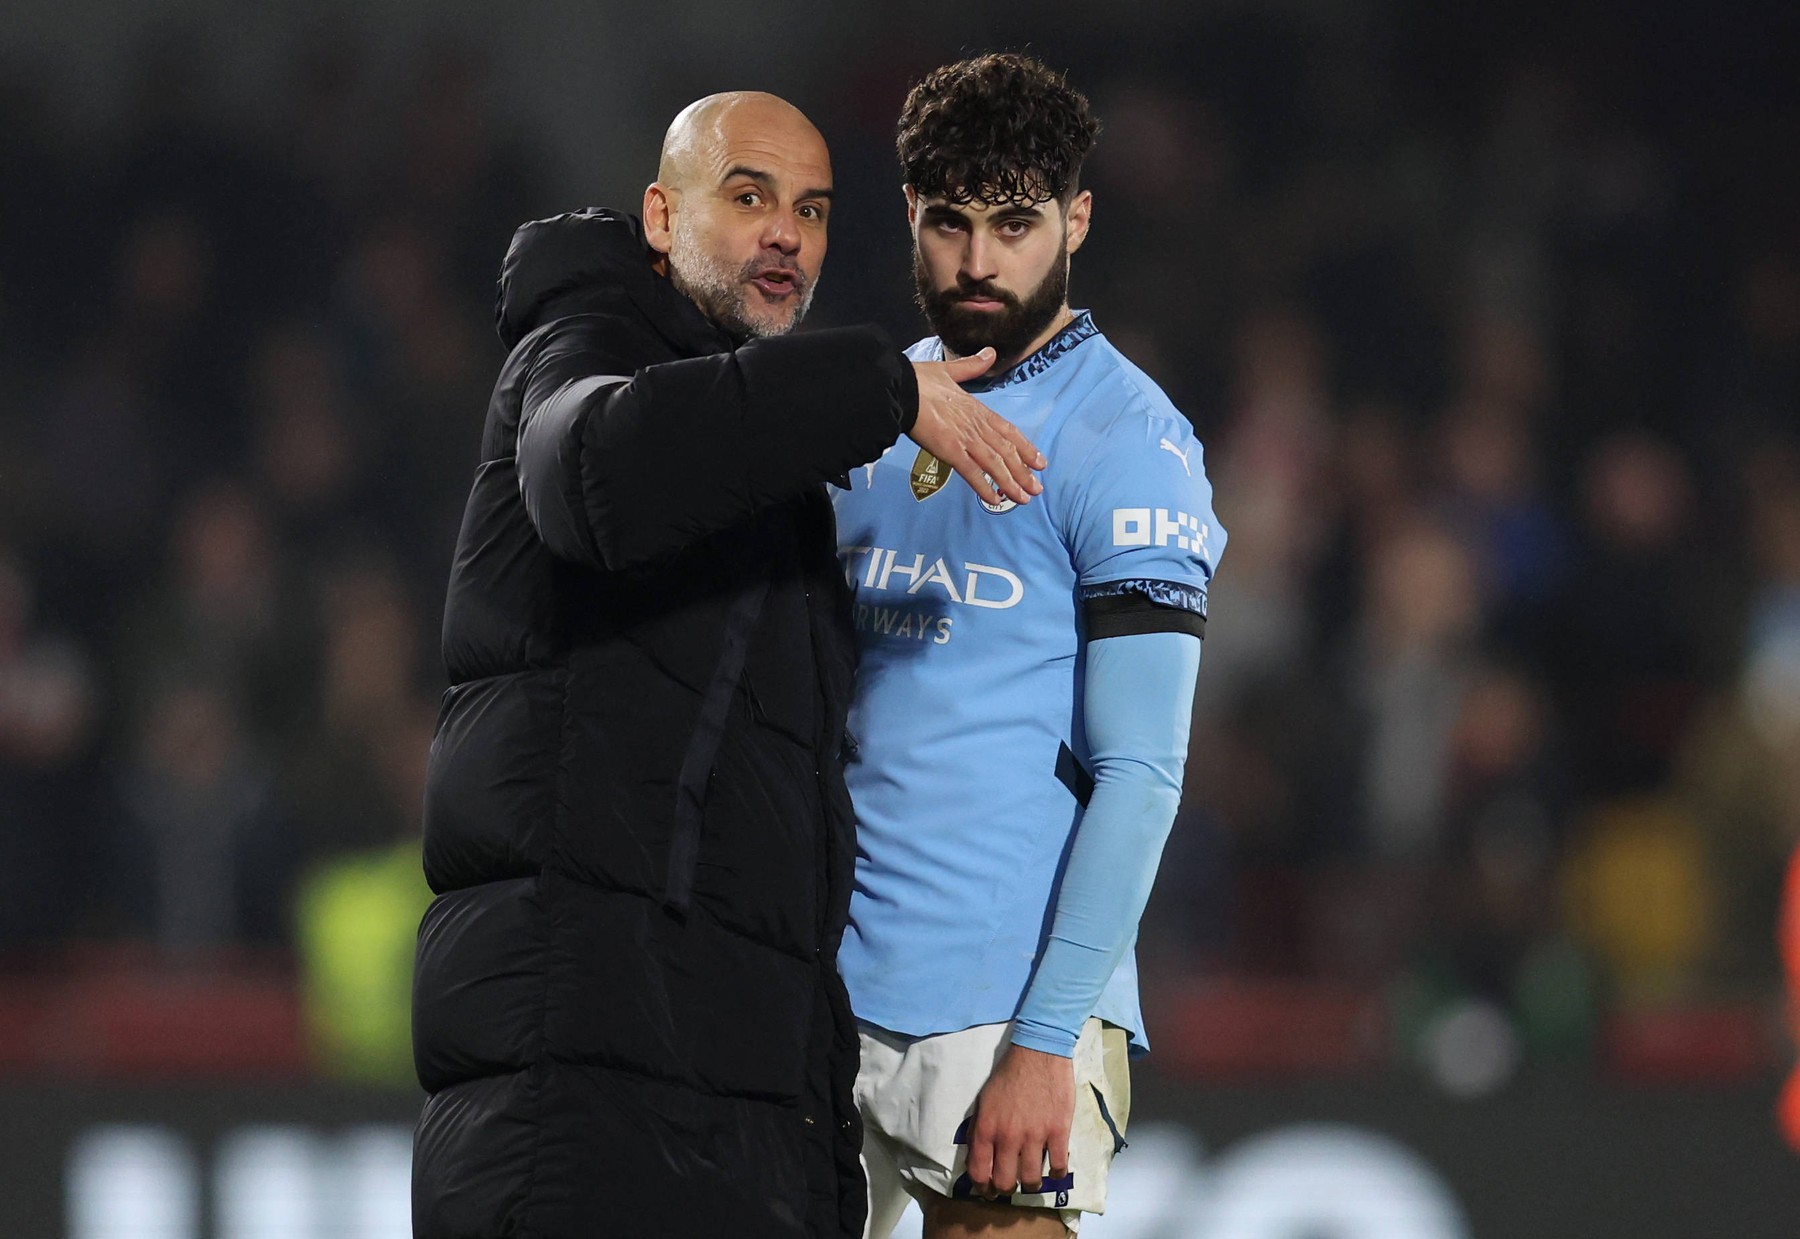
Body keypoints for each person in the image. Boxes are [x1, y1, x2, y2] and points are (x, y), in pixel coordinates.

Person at [410, 91, 1044, 1239]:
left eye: (811, 209)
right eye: (747, 196)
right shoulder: (583, 345)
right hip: (584, 1122)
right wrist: (880, 386)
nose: (785, 236)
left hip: (725, 1119)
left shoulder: (768, 464)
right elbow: (596, 474)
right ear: (661, 216)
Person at [832, 55, 1226, 1238]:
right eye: (949, 222)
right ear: (911, 215)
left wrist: (1049, 1039)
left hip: (1001, 1007)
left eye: (1014, 222)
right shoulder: (861, 412)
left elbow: (1144, 772)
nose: (978, 261)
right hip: (822, 991)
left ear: (1077, 219)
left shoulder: (1128, 439)